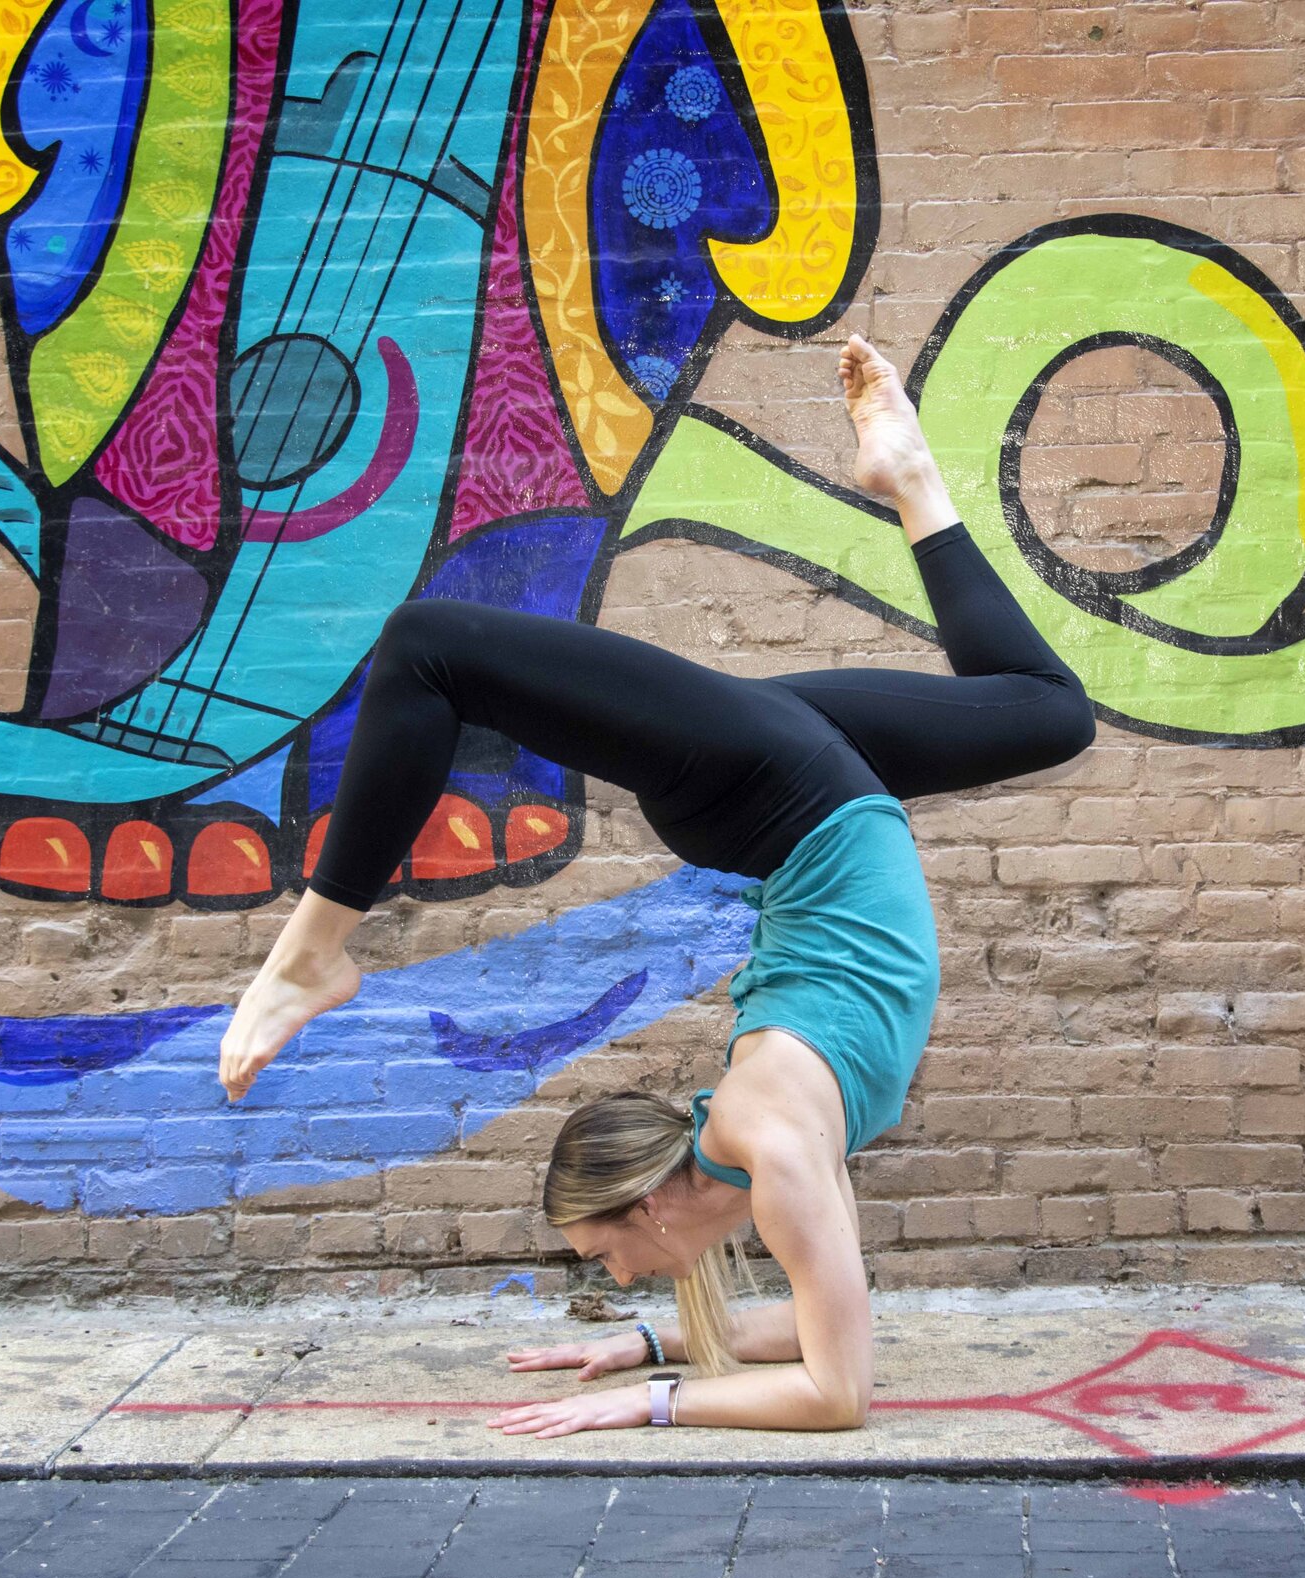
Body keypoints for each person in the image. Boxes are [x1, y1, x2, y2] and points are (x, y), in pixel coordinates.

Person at [217, 336, 1093, 1436]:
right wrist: (645, 1343)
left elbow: (834, 1393)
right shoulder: (771, 1145)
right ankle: (909, 481)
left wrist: (647, 1395)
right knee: (1046, 711)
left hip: (778, 790)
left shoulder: (769, 1132)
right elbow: (840, 1340)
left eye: (607, 1258)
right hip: (797, 786)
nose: (621, 1275)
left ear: (649, 1205)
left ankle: (311, 953)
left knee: (432, 646)